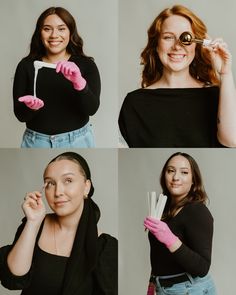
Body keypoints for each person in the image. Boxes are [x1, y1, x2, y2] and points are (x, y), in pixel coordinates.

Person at [119, 5, 236, 148]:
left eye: (185, 38)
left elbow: (232, 140)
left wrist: (225, 74)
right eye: (168, 37)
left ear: (196, 45)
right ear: (156, 45)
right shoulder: (134, 103)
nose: (177, 46)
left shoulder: (217, 96)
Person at [0, 152, 118, 295]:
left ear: (86, 187)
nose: (58, 192)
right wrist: (32, 222)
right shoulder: (34, 226)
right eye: (50, 183)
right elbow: (13, 278)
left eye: (68, 180)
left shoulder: (105, 247)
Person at [13, 7, 101, 148]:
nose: (54, 35)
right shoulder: (26, 66)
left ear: (70, 32)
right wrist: (31, 108)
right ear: (39, 33)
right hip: (36, 142)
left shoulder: (86, 65)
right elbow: (20, 115)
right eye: (47, 29)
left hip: (78, 141)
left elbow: (92, 109)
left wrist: (79, 83)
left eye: (61, 29)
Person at [144, 152, 216, 295]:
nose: (176, 177)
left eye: (184, 172)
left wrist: (170, 239)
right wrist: (152, 283)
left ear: (193, 179)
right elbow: (159, 254)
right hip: (163, 288)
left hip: (190, 289)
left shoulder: (197, 212)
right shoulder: (162, 207)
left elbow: (202, 268)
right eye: (171, 171)